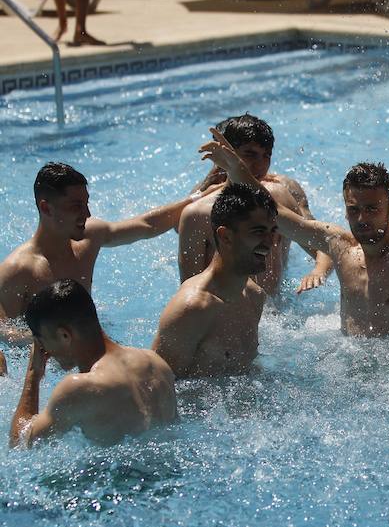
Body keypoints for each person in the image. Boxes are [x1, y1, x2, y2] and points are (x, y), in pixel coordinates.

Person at [200, 127, 389, 337]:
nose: (362, 218)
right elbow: (275, 213)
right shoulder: (341, 247)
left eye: (372, 209)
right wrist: (236, 169)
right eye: (354, 209)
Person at [0, 162, 194, 344]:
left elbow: (146, 226)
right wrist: (55, 342)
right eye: (76, 206)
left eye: (86, 203)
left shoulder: (89, 237)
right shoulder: (17, 271)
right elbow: (4, 333)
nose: (87, 214)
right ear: (46, 208)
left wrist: (194, 200)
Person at [9, 280, 176, 448]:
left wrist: (33, 374)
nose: (43, 349)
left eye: (40, 341)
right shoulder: (155, 362)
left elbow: (20, 442)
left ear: (64, 335)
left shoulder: (80, 388)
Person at [177, 114, 332, 296]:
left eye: (267, 156)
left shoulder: (281, 194)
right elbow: (188, 291)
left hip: (275, 311)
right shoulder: (198, 211)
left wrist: (318, 272)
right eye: (250, 155)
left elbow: (322, 243)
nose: (260, 165)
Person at [153, 184, 273, 378]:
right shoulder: (192, 308)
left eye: (272, 231)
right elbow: (156, 388)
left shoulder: (255, 296)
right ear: (225, 236)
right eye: (258, 232)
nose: (270, 242)